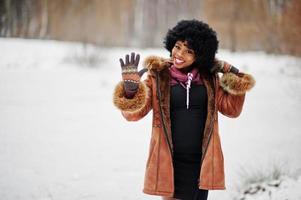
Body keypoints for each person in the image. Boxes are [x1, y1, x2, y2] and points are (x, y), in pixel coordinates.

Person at [113, 19, 255, 200]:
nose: (180, 54)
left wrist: (231, 70)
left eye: (189, 51)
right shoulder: (158, 78)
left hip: (202, 163)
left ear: (200, 56)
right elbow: (132, 116)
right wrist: (131, 92)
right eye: (178, 46)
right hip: (170, 163)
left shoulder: (210, 79)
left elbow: (232, 110)